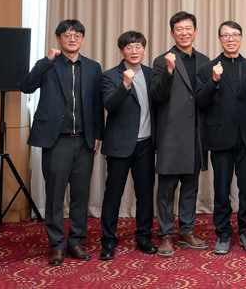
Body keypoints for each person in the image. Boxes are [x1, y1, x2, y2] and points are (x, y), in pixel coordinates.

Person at [19, 19, 103, 266]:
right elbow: (26, 86)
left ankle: (76, 243)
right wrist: (45, 60)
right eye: (67, 35)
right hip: (56, 141)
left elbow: (97, 104)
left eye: (77, 35)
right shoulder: (48, 65)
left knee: (80, 196)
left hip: (84, 141)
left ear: (83, 39)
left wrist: (98, 134)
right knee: (55, 196)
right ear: (58, 39)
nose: (72, 39)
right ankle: (56, 245)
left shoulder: (93, 67)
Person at [196, 21, 246, 255]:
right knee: (221, 188)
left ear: (241, 38)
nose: (231, 39)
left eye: (235, 35)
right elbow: (200, 101)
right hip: (220, 137)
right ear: (219, 39)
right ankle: (223, 232)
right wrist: (213, 80)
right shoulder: (207, 69)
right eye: (226, 35)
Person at [151, 11, 210, 257]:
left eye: (188, 28)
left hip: (196, 135)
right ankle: (166, 234)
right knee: (166, 189)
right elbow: (156, 95)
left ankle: (187, 231)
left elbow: (205, 98)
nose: (184, 33)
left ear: (195, 31)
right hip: (171, 135)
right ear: (172, 33)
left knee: (190, 187)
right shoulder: (161, 60)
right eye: (179, 29)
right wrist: (169, 71)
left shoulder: (205, 60)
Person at [99, 31, 156, 260]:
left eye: (138, 47)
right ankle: (108, 240)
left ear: (144, 49)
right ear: (122, 51)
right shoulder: (110, 76)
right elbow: (109, 105)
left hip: (146, 144)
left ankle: (144, 237)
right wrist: (125, 84)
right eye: (129, 47)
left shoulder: (152, 74)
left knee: (145, 194)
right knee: (113, 194)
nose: (134, 51)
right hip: (119, 145)